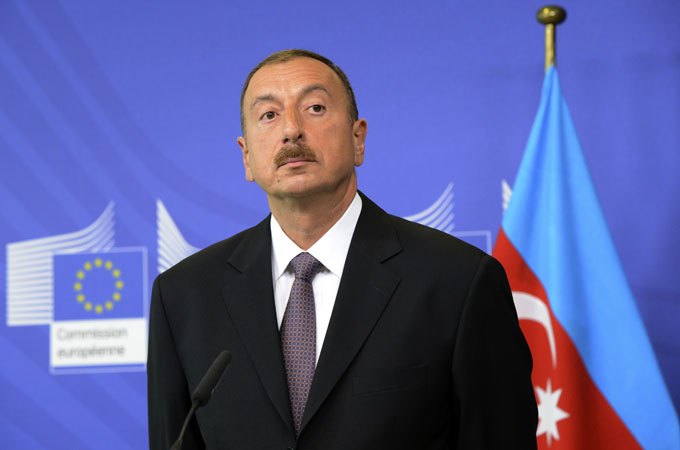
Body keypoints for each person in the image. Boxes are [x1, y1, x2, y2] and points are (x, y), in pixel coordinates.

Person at [147, 49, 537, 449]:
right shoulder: (183, 297)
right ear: (247, 156)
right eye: (269, 115)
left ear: (358, 138)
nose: (291, 130)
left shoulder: (458, 282)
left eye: (314, 108)